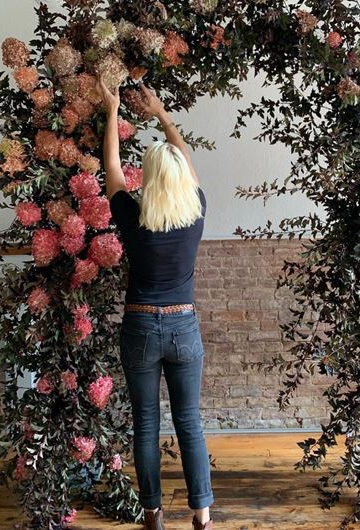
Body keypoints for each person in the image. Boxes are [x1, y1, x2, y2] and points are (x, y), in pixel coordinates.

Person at [96, 75, 215, 530]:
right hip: (183, 327)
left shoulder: (131, 214)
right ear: (182, 177)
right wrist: (163, 115)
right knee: (190, 423)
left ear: (145, 178)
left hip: (141, 327)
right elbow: (187, 164)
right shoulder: (197, 210)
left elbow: (109, 167)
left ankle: (152, 515)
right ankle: (201, 515)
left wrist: (113, 112)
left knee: (145, 423)